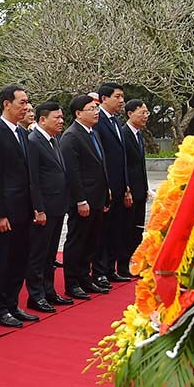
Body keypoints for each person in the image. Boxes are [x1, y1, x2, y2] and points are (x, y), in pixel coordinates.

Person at [0, 84, 39, 329]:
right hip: (6, 211)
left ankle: (12, 303)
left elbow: (29, 174)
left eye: (27, 102)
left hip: (24, 209)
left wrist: (36, 205)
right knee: (2, 261)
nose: (26, 107)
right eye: (21, 102)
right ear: (7, 104)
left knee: (19, 259)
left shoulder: (23, 133)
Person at [59, 95, 111, 301]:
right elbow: (73, 173)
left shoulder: (93, 133)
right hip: (83, 201)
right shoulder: (71, 137)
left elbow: (99, 165)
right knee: (77, 241)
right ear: (78, 113)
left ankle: (85, 277)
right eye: (91, 109)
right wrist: (80, 200)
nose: (96, 112)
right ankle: (72, 283)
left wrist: (106, 191)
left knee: (91, 240)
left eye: (96, 108)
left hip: (98, 198)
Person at [25, 102, 73, 312]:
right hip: (44, 207)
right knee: (38, 253)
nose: (61, 121)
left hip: (58, 205)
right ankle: (35, 295)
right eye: (57, 118)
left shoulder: (54, 140)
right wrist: (39, 208)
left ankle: (48, 290)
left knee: (50, 253)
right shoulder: (34, 141)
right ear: (42, 120)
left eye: (62, 117)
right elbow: (33, 179)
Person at [95, 82, 131, 283]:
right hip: (105, 188)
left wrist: (126, 185)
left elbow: (121, 156)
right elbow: (101, 157)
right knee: (103, 232)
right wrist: (105, 185)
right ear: (104, 99)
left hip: (119, 186)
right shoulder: (97, 121)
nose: (121, 101)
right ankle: (99, 271)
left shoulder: (117, 122)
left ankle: (110, 268)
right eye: (117, 97)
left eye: (122, 97)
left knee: (116, 228)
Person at [123, 99, 151, 267]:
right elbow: (124, 164)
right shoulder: (124, 134)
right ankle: (125, 261)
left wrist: (145, 188)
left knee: (138, 228)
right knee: (127, 228)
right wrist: (127, 189)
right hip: (130, 191)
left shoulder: (138, 134)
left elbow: (141, 164)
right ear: (130, 113)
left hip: (140, 190)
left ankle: (137, 259)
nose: (145, 116)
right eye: (142, 113)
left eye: (147, 113)